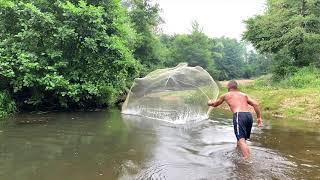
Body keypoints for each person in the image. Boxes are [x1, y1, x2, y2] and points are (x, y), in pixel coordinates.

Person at [207, 80, 262, 160]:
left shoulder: (226, 95)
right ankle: (238, 153)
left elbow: (215, 104)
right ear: (236, 87)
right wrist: (258, 117)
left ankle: (248, 160)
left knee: (241, 140)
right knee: (241, 138)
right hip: (248, 115)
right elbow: (255, 104)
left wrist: (209, 102)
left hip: (239, 116)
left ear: (228, 87)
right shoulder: (244, 95)